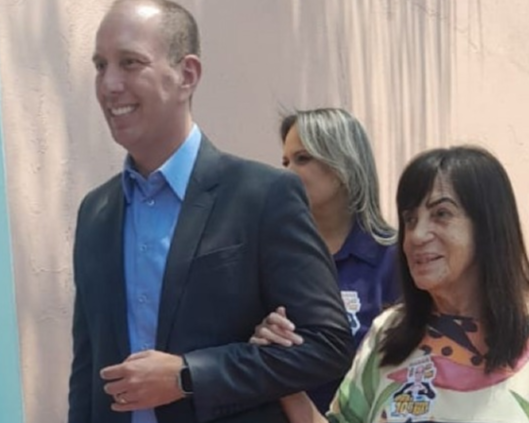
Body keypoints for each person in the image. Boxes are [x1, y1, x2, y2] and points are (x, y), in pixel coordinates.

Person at [67, 1, 354, 423]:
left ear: (187, 75)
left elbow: (327, 344)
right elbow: (87, 372)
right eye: (100, 65)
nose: (109, 84)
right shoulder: (96, 213)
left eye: (130, 63)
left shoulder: (263, 196)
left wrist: (189, 375)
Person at [252, 146, 529, 422]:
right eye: (410, 219)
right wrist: (282, 372)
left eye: (441, 214)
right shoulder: (388, 331)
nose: (416, 235)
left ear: (488, 226)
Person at [251, 109, 398, 413]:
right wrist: (263, 339)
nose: (286, 173)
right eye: (285, 162)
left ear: (343, 164)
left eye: (302, 159)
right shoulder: (270, 255)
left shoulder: (396, 258)